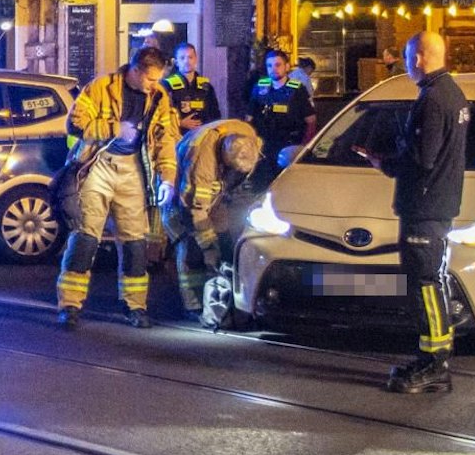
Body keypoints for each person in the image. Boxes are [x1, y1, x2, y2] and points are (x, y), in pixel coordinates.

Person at [354, 32, 470, 394]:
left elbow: (423, 157)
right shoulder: (452, 93)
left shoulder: (433, 99)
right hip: (437, 203)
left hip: (424, 206)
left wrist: (384, 162)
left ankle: (435, 363)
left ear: (419, 58)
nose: (405, 64)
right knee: (431, 281)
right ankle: (433, 359)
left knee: (425, 285)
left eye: (406, 58)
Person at [55, 46, 180, 330]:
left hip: (133, 168)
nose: (153, 86)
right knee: (86, 236)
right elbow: (75, 124)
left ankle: (135, 305)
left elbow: (164, 139)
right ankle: (70, 305)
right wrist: (114, 129)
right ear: (135, 71)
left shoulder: (158, 97)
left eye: (157, 80)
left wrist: (168, 178)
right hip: (98, 164)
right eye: (150, 79)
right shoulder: (101, 87)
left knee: (135, 242)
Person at [168, 119, 261, 324]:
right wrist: (209, 246)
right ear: (224, 158)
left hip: (218, 193)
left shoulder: (249, 138)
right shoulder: (202, 160)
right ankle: (193, 305)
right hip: (179, 195)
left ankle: (226, 299)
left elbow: (238, 183)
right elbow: (196, 210)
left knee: (224, 241)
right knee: (191, 247)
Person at [248, 48, 317, 184]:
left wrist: (304, 147)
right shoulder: (259, 88)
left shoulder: (297, 89)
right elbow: (249, 118)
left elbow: (311, 120)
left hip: (288, 145)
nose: (273, 69)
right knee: (261, 185)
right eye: (269, 65)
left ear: (286, 67)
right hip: (263, 146)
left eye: (278, 65)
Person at [162, 42, 220, 133]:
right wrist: (179, 123)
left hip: (202, 136)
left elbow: (215, 114)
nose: (187, 61)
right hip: (177, 137)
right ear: (176, 62)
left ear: (196, 59)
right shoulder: (167, 85)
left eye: (190, 57)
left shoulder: (206, 86)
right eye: (182, 58)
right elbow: (160, 116)